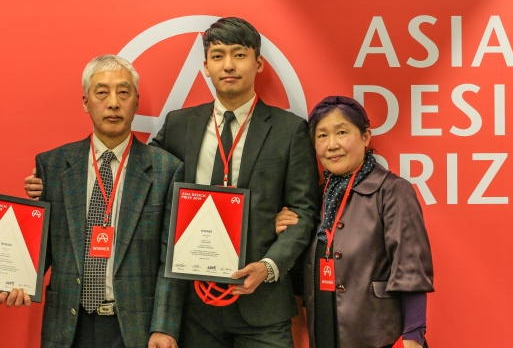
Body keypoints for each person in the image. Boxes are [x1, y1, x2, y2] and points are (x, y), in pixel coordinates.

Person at [27, 18, 320, 346]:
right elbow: (135, 172)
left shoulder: (289, 130)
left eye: (239, 55)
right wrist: (47, 185)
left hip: (261, 305)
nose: (228, 65)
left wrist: (268, 265)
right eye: (218, 56)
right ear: (205, 66)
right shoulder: (179, 125)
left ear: (259, 63)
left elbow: (304, 212)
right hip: (194, 307)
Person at [8, 55, 185, 348]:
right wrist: (14, 280)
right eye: (102, 92)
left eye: (123, 92)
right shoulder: (53, 166)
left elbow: (171, 259)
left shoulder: (166, 169)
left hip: (136, 329)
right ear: (85, 102)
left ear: (136, 102)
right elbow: (42, 249)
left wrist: (164, 327)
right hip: (68, 327)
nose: (113, 103)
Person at [276, 96, 434, 348]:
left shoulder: (392, 190)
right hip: (324, 327)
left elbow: (411, 269)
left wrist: (413, 336)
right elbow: (302, 274)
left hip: (377, 335)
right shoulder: (316, 197)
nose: (332, 145)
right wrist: (286, 232)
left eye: (342, 132)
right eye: (322, 136)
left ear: (365, 136)